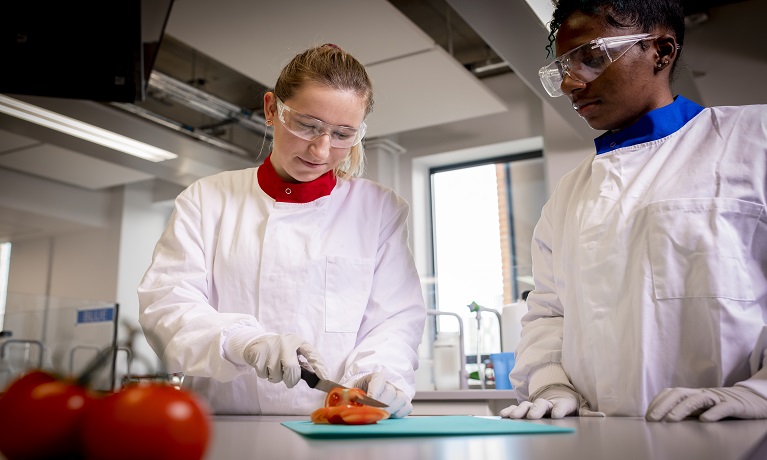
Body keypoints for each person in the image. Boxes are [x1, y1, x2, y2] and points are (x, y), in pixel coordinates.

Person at [501, 0, 767, 422]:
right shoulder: (569, 194)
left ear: (661, 50)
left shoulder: (754, 141)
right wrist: (552, 382)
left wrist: (760, 394)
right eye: (562, 70)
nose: (571, 83)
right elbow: (549, 313)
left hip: (739, 437)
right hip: (600, 440)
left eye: (590, 58)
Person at [137, 43, 426, 418]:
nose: (321, 150)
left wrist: (380, 374)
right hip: (227, 423)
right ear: (272, 109)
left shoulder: (379, 211)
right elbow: (167, 305)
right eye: (308, 125)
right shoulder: (207, 200)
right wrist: (241, 341)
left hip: (336, 425)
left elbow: (394, 321)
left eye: (342, 134)